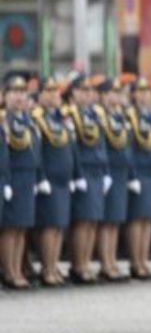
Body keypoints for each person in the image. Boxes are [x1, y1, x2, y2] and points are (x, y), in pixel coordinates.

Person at [32, 78, 75, 287]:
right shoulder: (37, 118)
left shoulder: (60, 117)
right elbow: (36, 152)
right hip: (49, 176)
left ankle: (54, 265)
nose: (54, 95)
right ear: (39, 95)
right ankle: (47, 269)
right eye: (48, 91)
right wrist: (40, 178)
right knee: (50, 225)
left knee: (59, 225)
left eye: (55, 91)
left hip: (62, 177)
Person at [65, 76, 106, 284]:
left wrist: (105, 170)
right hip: (84, 171)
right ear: (73, 93)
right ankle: (78, 265)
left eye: (90, 90)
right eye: (82, 90)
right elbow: (72, 150)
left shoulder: (94, 114)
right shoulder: (70, 115)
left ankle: (86, 263)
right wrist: (77, 174)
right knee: (82, 221)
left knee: (93, 221)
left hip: (97, 170)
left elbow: (101, 144)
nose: (88, 93)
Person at [126, 77, 151, 279]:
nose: (144, 95)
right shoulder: (131, 116)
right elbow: (128, 147)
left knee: (148, 219)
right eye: (140, 91)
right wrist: (132, 175)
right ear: (133, 95)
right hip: (139, 171)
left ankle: (144, 261)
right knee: (137, 219)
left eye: (147, 91)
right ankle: (135, 262)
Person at [97, 78, 132, 282]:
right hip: (109, 171)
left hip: (121, 171)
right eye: (112, 92)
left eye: (118, 92)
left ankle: (112, 261)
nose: (117, 96)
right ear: (103, 95)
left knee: (116, 220)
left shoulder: (120, 115)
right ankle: (105, 263)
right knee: (107, 220)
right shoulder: (101, 116)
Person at [1, 76, 33, 289]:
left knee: (21, 227)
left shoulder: (26, 120)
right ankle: (9, 271)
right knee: (10, 228)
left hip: (27, 177)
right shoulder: (5, 120)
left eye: (23, 92)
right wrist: (6, 181)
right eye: (14, 92)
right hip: (12, 176)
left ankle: (18, 268)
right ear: (5, 96)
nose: (20, 96)